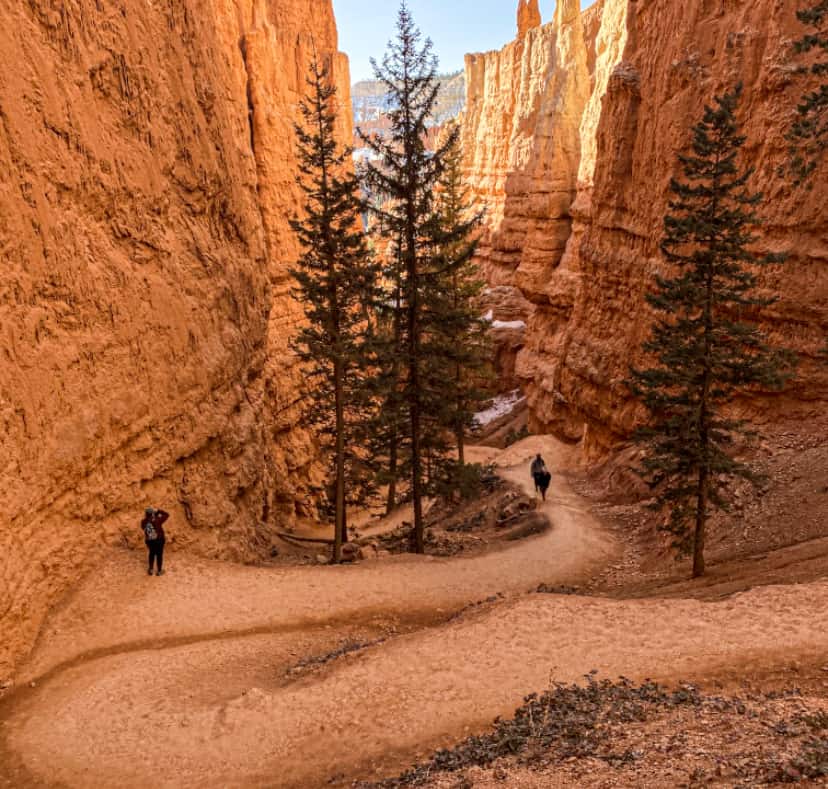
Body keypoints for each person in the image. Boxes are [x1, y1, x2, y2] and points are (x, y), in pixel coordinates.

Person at [141, 507, 169, 576]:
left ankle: (151, 569)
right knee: (159, 555)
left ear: (146, 514)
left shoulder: (143, 521)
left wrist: (153, 516)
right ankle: (159, 571)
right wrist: (158, 511)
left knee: (151, 553)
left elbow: (144, 527)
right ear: (152, 513)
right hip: (159, 540)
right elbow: (166, 515)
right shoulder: (157, 520)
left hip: (150, 541)